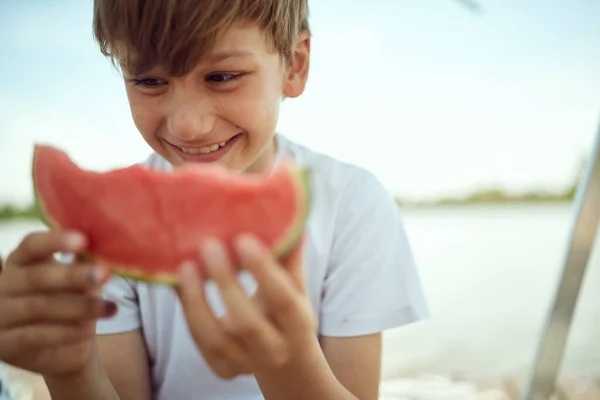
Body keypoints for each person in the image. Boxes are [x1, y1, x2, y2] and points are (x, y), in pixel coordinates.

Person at [0, 1, 430, 399]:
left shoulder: (352, 204)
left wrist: (288, 369)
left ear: (294, 66)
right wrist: (70, 372)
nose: (188, 125)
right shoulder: (107, 226)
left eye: (222, 77)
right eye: (149, 81)